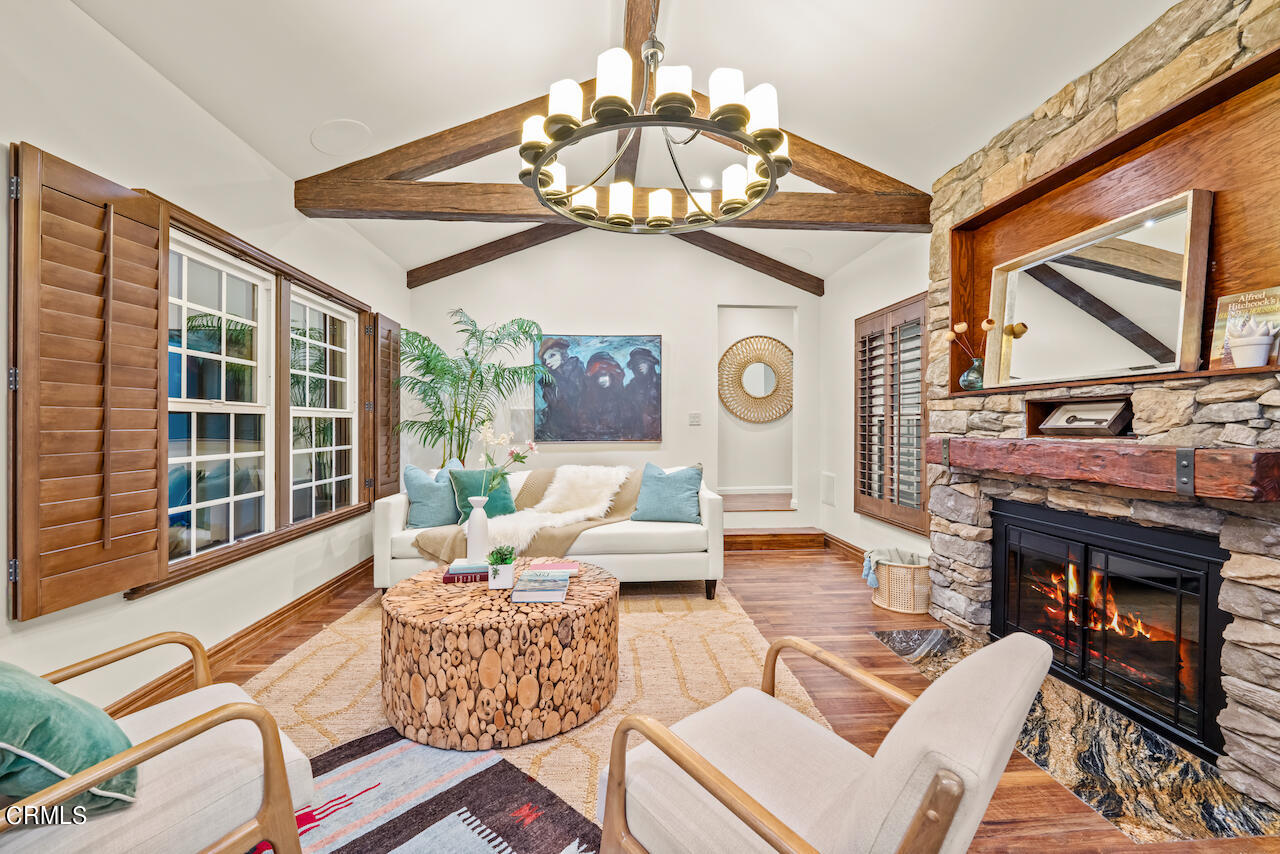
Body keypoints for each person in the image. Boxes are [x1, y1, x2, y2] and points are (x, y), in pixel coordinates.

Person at [536, 337, 584, 440]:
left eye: (552, 356)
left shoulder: (577, 369)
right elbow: (553, 406)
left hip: (582, 425)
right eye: (545, 360)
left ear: (562, 354)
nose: (548, 362)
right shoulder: (548, 380)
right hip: (558, 428)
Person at [582, 351, 632, 439]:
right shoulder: (586, 400)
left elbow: (629, 425)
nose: (601, 380)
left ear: (612, 374)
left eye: (604, 375)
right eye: (597, 376)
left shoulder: (623, 399)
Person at [625, 346, 661, 440]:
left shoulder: (660, 382)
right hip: (637, 433)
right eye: (636, 364)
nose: (640, 366)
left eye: (643, 362)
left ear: (650, 363)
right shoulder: (630, 388)